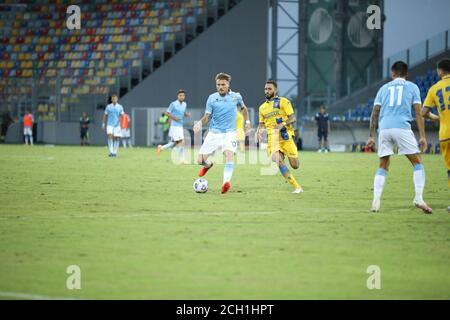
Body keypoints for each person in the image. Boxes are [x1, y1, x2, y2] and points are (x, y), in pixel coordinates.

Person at [367, 61, 432, 214]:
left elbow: (374, 113)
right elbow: (418, 112)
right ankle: (418, 197)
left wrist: (371, 136)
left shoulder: (383, 89)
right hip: (402, 127)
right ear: (406, 74)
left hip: (384, 129)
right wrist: (422, 136)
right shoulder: (412, 87)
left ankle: (376, 201)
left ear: (392, 73)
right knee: (417, 163)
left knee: (383, 165)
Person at [193, 73, 251, 194]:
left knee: (229, 156)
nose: (220, 87)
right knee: (200, 161)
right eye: (218, 85)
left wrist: (248, 121)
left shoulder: (236, 96)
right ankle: (208, 165)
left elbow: (244, 109)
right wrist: (199, 123)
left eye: (223, 84)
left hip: (230, 133)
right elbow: (207, 116)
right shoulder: (212, 98)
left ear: (228, 84)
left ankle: (226, 183)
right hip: (214, 133)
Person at [255, 79, 303, 194]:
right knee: (277, 160)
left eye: (269, 89)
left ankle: (288, 156)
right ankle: (297, 187)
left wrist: (283, 124)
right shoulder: (262, 108)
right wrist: (258, 132)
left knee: (295, 165)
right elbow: (261, 124)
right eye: (265, 89)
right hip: (273, 139)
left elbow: (293, 118)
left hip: (286, 137)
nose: (267, 91)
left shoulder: (284, 102)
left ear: (275, 90)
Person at [421, 58, 450, 213]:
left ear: (440, 71)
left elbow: (423, 112)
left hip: (446, 135)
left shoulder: (434, 88)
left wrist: (437, 117)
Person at [157, 89, 191, 163]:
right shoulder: (173, 104)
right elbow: (167, 113)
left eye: (183, 95)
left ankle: (161, 148)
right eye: (180, 95)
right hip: (175, 126)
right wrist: (174, 118)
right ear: (177, 96)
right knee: (182, 141)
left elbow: (182, 112)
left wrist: (186, 114)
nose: (182, 97)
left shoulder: (185, 104)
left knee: (173, 143)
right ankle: (182, 159)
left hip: (180, 125)